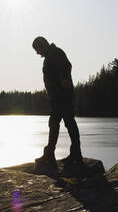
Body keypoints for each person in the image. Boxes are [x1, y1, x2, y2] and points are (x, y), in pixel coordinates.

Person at [32, 36, 83, 166]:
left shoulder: (56, 53)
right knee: (55, 123)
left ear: (42, 46)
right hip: (57, 97)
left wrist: (64, 78)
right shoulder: (50, 56)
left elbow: (66, 66)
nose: (37, 53)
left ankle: (74, 154)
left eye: (37, 50)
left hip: (63, 96)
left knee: (68, 123)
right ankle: (52, 154)